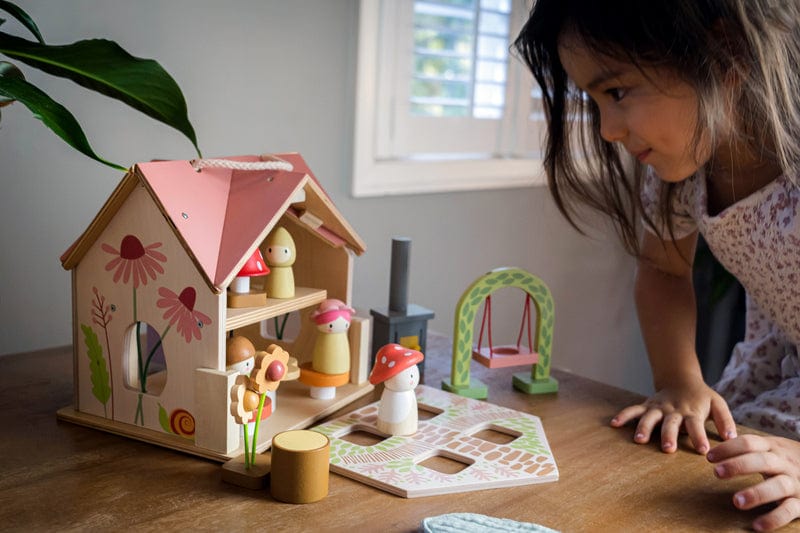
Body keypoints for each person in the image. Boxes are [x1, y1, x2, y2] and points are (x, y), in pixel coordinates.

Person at [514, 1, 800, 530]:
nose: (606, 130)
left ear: (723, 52)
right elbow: (664, 271)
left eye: (617, 92)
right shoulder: (683, 173)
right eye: (594, 101)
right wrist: (679, 381)